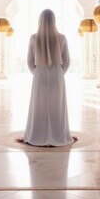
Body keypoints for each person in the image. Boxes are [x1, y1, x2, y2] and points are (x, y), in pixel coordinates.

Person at [18, 9, 76, 147]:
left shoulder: (33, 38)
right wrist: (59, 73)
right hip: (57, 75)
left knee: (39, 105)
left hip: (40, 75)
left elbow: (30, 62)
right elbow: (66, 62)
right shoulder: (61, 38)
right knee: (57, 106)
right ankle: (58, 134)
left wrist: (38, 73)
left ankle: (37, 135)